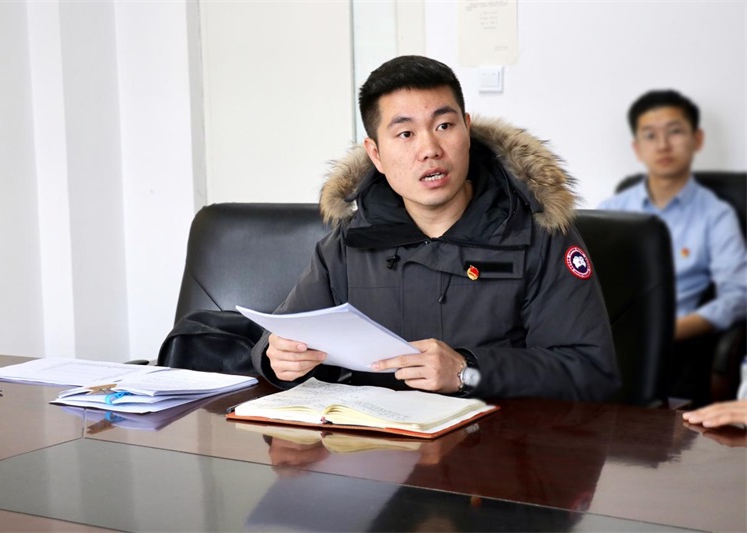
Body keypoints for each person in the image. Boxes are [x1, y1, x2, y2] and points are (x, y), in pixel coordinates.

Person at [251, 55, 620, 401]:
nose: (430, 149)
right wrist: (278, 358)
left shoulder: (538, 235)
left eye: (444, 126)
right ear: (376, 154)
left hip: (498, 441)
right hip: (376, 441)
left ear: (467, 130)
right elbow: (280, 337)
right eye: (405, 134)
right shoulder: (349, 243)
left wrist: (467, 371)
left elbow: (589, 371)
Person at [598, 90, 747, 406]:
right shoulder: (611, 210)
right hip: (605, 342)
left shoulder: (716, 215)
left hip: (674, 346)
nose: (663, 145)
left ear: (697, 139)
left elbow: (738, 296)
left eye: (675, 132)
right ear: (637, 148)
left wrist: (668, 329)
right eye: (650, 135)